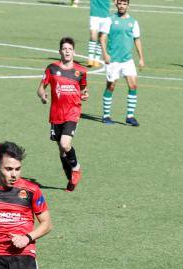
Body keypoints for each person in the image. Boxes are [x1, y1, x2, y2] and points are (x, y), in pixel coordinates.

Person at [37, 37, 89, 192]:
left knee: (65, 144)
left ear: (74, 52)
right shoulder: (52, 69)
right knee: (61, 150)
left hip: (73, 112)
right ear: (60, 52)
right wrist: (42, 95)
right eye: (64, 49)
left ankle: (76, 168)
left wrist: (85, 95)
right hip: (56, 114)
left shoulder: (81, 72)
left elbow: (84, 90)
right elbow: (40, 88)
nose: (67, 51)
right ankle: (70, 179)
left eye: (70, 49)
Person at [100, 0, 144, 127]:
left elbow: (137, 39)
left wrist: (141, 58)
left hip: (127, 60)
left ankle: (130, 116)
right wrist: (105, 54)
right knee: (111, 87)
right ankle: (106, 115)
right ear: (116, 4)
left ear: (128, 5)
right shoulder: (110, 20)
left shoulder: (133, 22)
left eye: (124, 4)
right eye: (120, 3)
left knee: (133, 86)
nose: (122, 6)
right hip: (113, 60)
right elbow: (102, 38)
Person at [87, 0, 111, 69]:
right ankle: (90, 58)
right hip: (94, 14)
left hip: (105, 15)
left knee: (101, 38)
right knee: (93, 36)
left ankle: (97, 59)